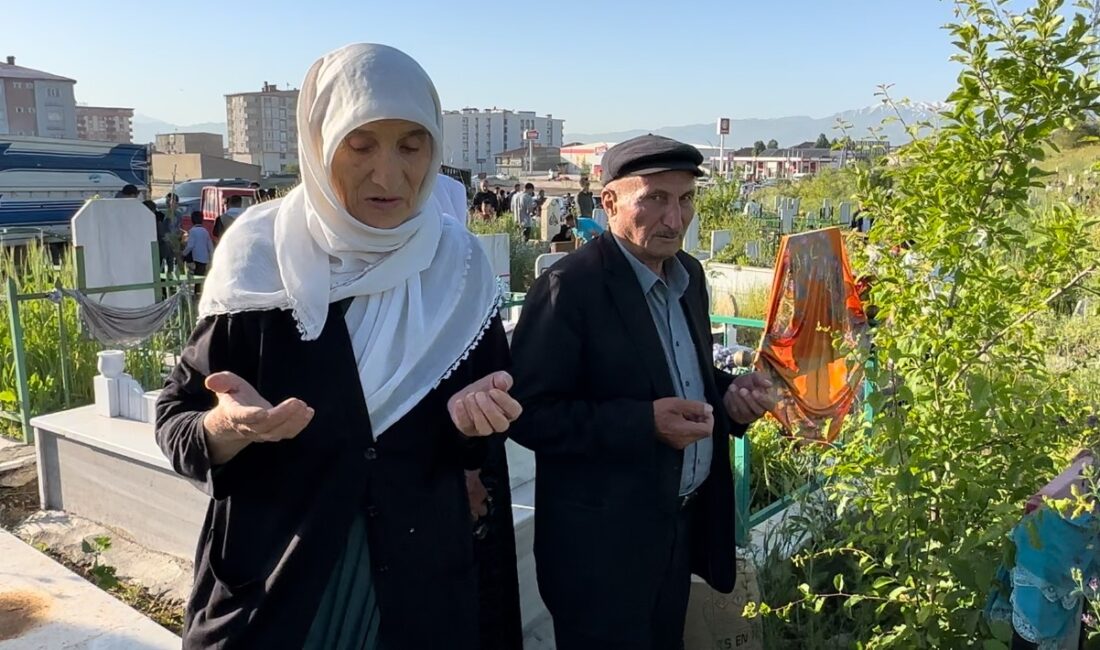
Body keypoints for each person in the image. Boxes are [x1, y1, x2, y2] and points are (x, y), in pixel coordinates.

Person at [155, 43, 523, 650]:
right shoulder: (258, 257)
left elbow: (480, 435)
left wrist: (475, 424)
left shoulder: (458, 269)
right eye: (360, 145)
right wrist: (226, 429)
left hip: (418, 592)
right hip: (280, 590)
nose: (389, 174)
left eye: (411, 144)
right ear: (320, 141)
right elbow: (177, 419)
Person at [508, 134, 777, 650]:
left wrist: (730, 398)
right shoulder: (571, 288)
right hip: (601, 549)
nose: (675, 220)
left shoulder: (689, 277)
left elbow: (685, 376)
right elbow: (530, 414)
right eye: (654, 199)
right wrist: (643, 423)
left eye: (685, 200)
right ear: (608, 202)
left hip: (676, 528)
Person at [180, 211, 213, 276]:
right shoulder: (205, 231)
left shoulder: (192, 231)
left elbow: (190, 246)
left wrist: (183, 253)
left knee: (194, 277)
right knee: (200, 278)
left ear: (192, 220)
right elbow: (210, 246)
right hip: (204, 259)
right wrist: (211, 257)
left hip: (195, 258)